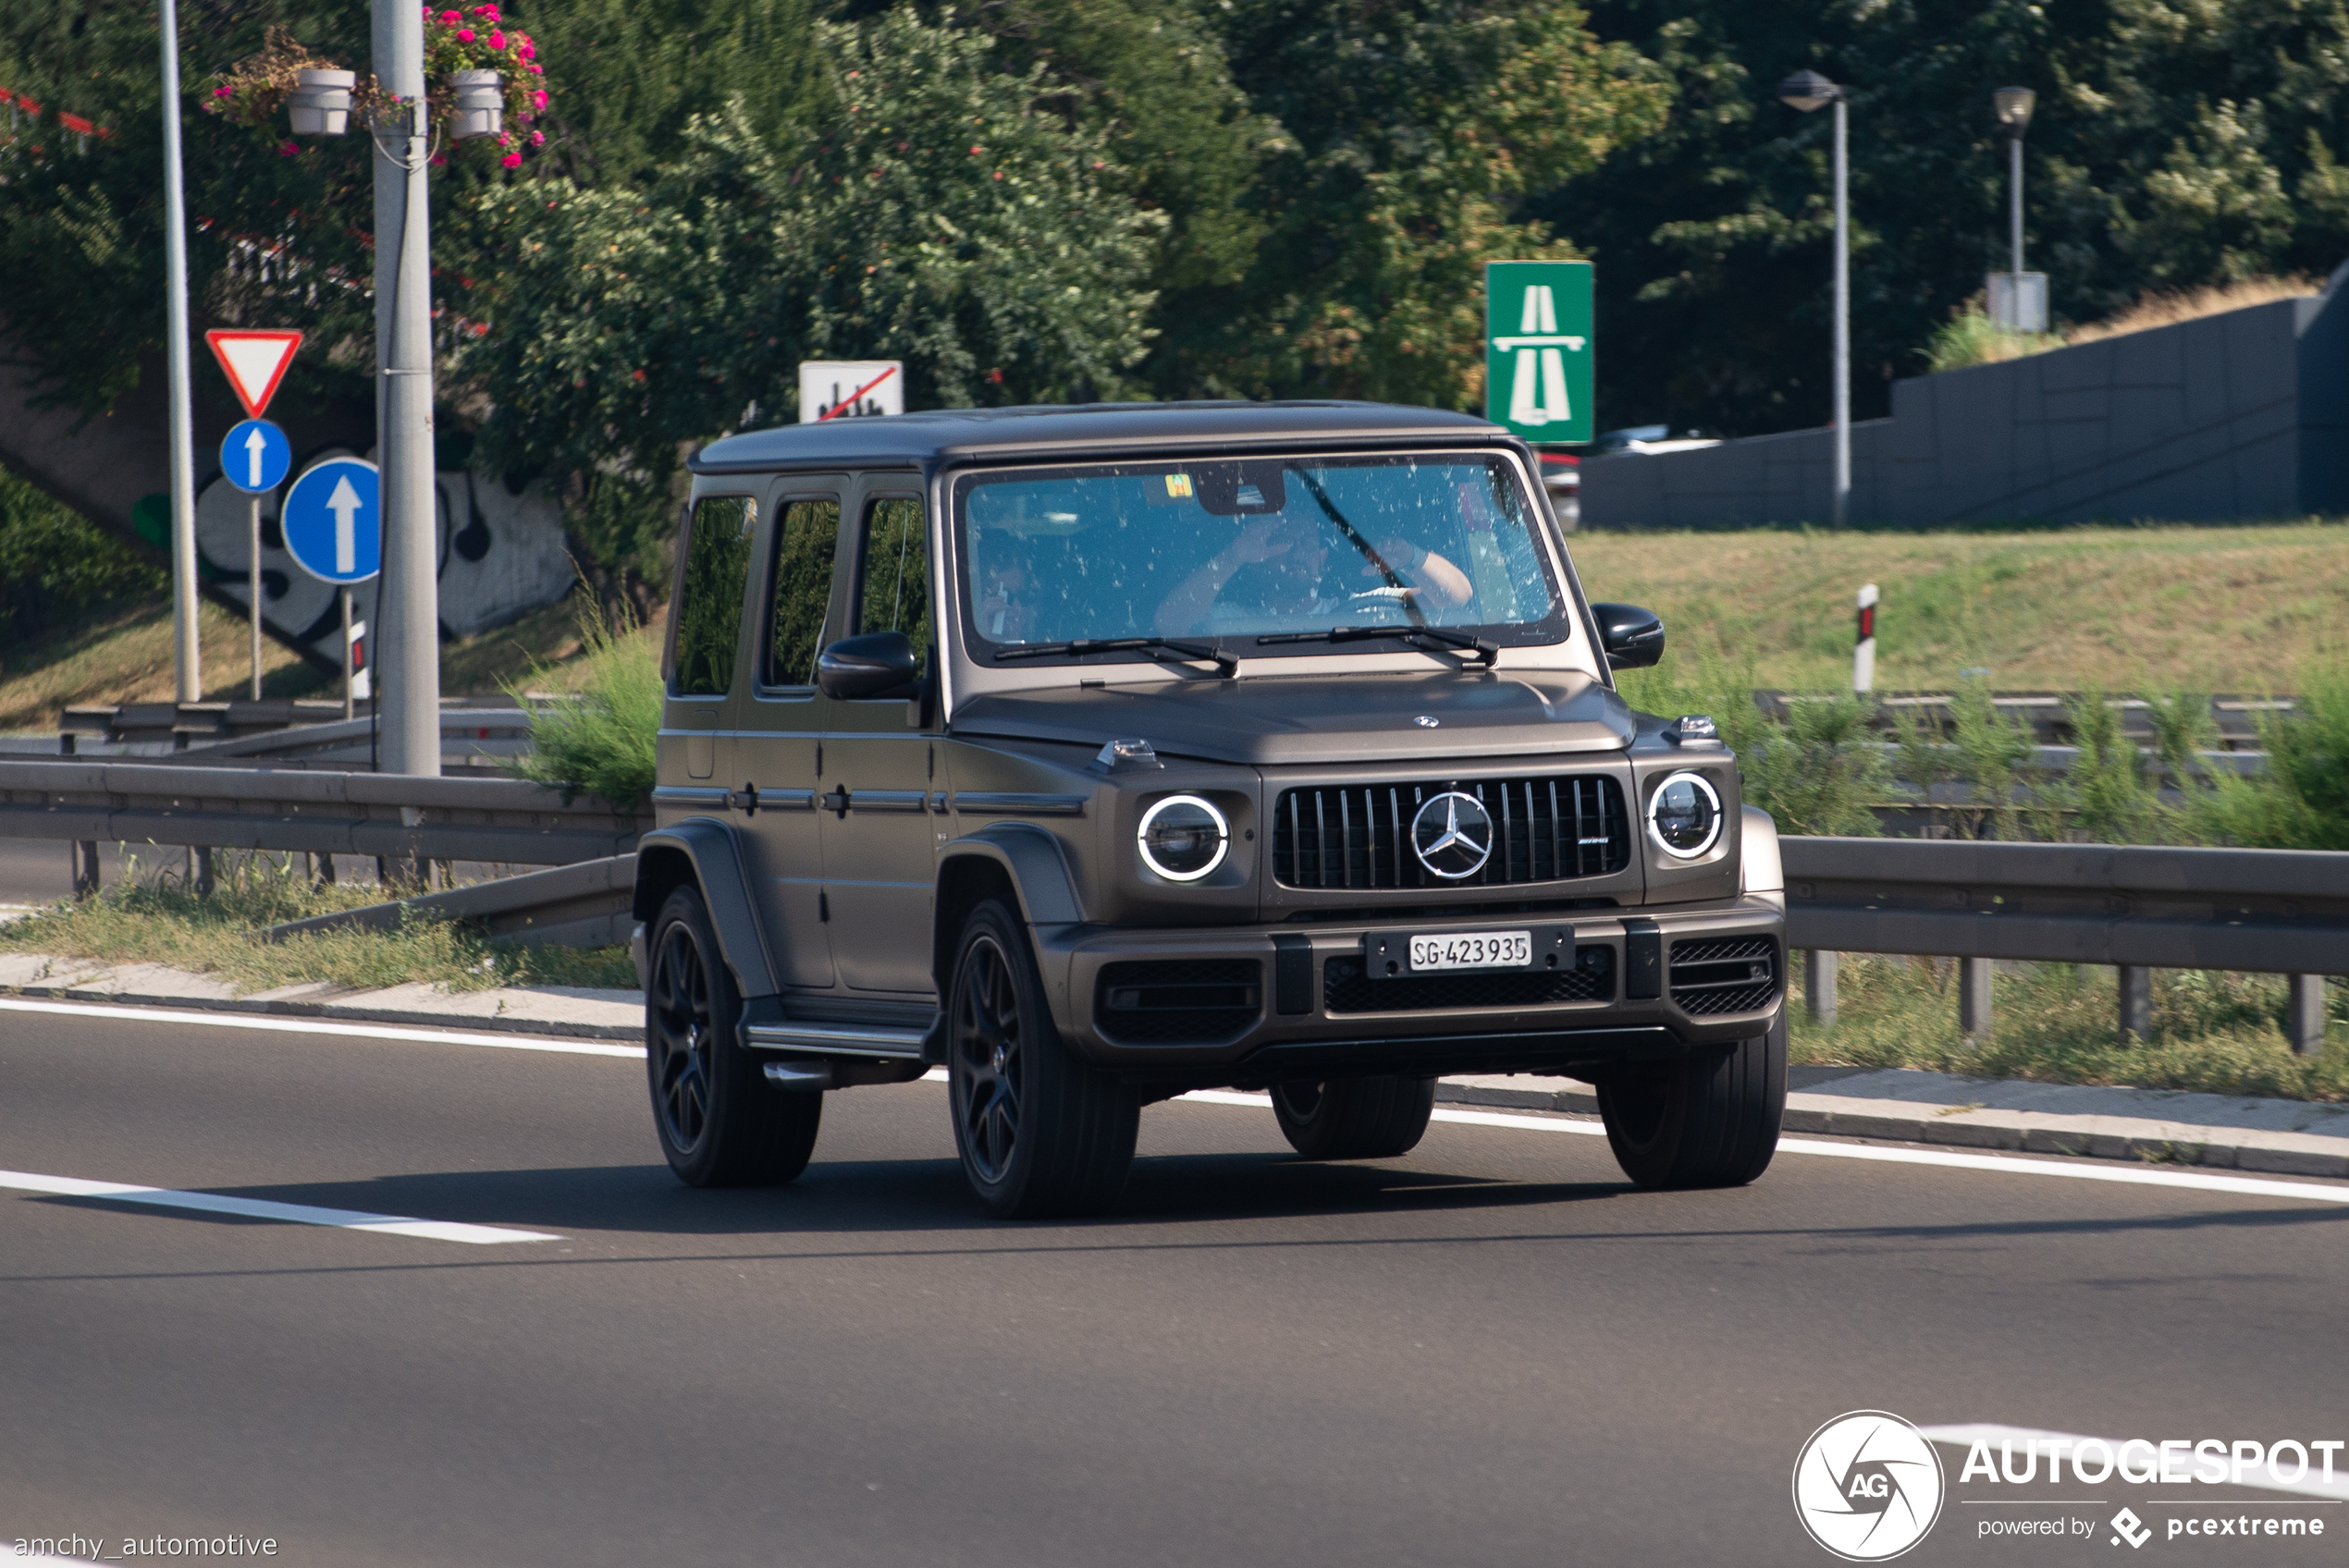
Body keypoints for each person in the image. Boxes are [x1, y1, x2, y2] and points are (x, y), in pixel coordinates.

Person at [1153, 512, 1472, 635]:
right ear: (1261, 560)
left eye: (1307, 544)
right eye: (1283, 543)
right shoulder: (1233, 620)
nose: (1297, 552)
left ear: (1322, 558)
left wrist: (1410, 556)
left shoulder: (1368, 609)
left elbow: (1456, 598)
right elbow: (1170, 622)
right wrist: (1234, 556)